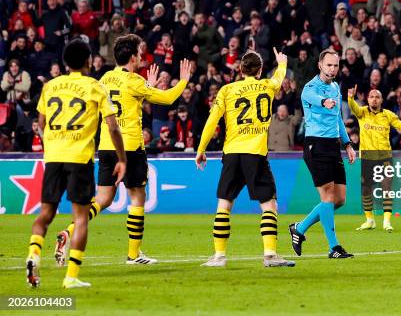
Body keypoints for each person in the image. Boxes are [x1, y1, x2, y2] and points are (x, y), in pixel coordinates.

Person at [55, 34, 191, 266]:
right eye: (139, 52)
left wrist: (147, 87)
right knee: (137, 196)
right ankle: (133, 254)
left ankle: (69, 231)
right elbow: (167, 99)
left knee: (103, 198)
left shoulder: (106, 77)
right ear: (131, 56)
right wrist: (184, 81)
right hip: (129, 147)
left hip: (107, 146)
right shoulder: (134, 81)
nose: (141, 56)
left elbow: (125, 98)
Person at [26, 38, 127, 289]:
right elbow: (113, 126)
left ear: (64, 62)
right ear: (88, 61)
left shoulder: (50, 86)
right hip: (79, 157)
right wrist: (122, 158)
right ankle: (71, 277)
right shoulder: (95, 86)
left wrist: (52, 142)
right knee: (80, 218)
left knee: (46, 213)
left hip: (54, 156)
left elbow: (41, 122)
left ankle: (33, 255)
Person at [195, 49, 294, 268]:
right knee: (269, 204)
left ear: (240, 69)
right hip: (255, 154)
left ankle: (219, 256)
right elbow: (278, 80)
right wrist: (282, 64)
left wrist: (201, 148)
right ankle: (270, 255)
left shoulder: (227, 90)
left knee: (224, 204)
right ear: (259, 70)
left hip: (231, 153)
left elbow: (212, 121)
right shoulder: (267, 86)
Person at [288, 49, 357, 259]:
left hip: (333, 146)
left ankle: (299, 228)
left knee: (340, 199)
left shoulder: (336, 87)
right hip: (315, 146)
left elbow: (337, 119)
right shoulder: (309, 88)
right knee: (327, 197)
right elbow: (317, 99)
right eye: (328, 65)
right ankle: (334, 247)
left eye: (335, 65)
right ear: (320, 65)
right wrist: (325, 102)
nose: (332, 69)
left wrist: (348, 144)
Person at [348, 86, 401, 232]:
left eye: (377, 97)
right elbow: (353, 107)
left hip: (385, 157)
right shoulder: (362, 113)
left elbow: (400, 124)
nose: (374, 99)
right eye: (371, 96)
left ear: (381, 100)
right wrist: (350, 97)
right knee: (366, 189)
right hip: (368, 157)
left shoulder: (388, 114)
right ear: (367, 99)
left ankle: (386, 221)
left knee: (386, 188)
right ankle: (370, 220)